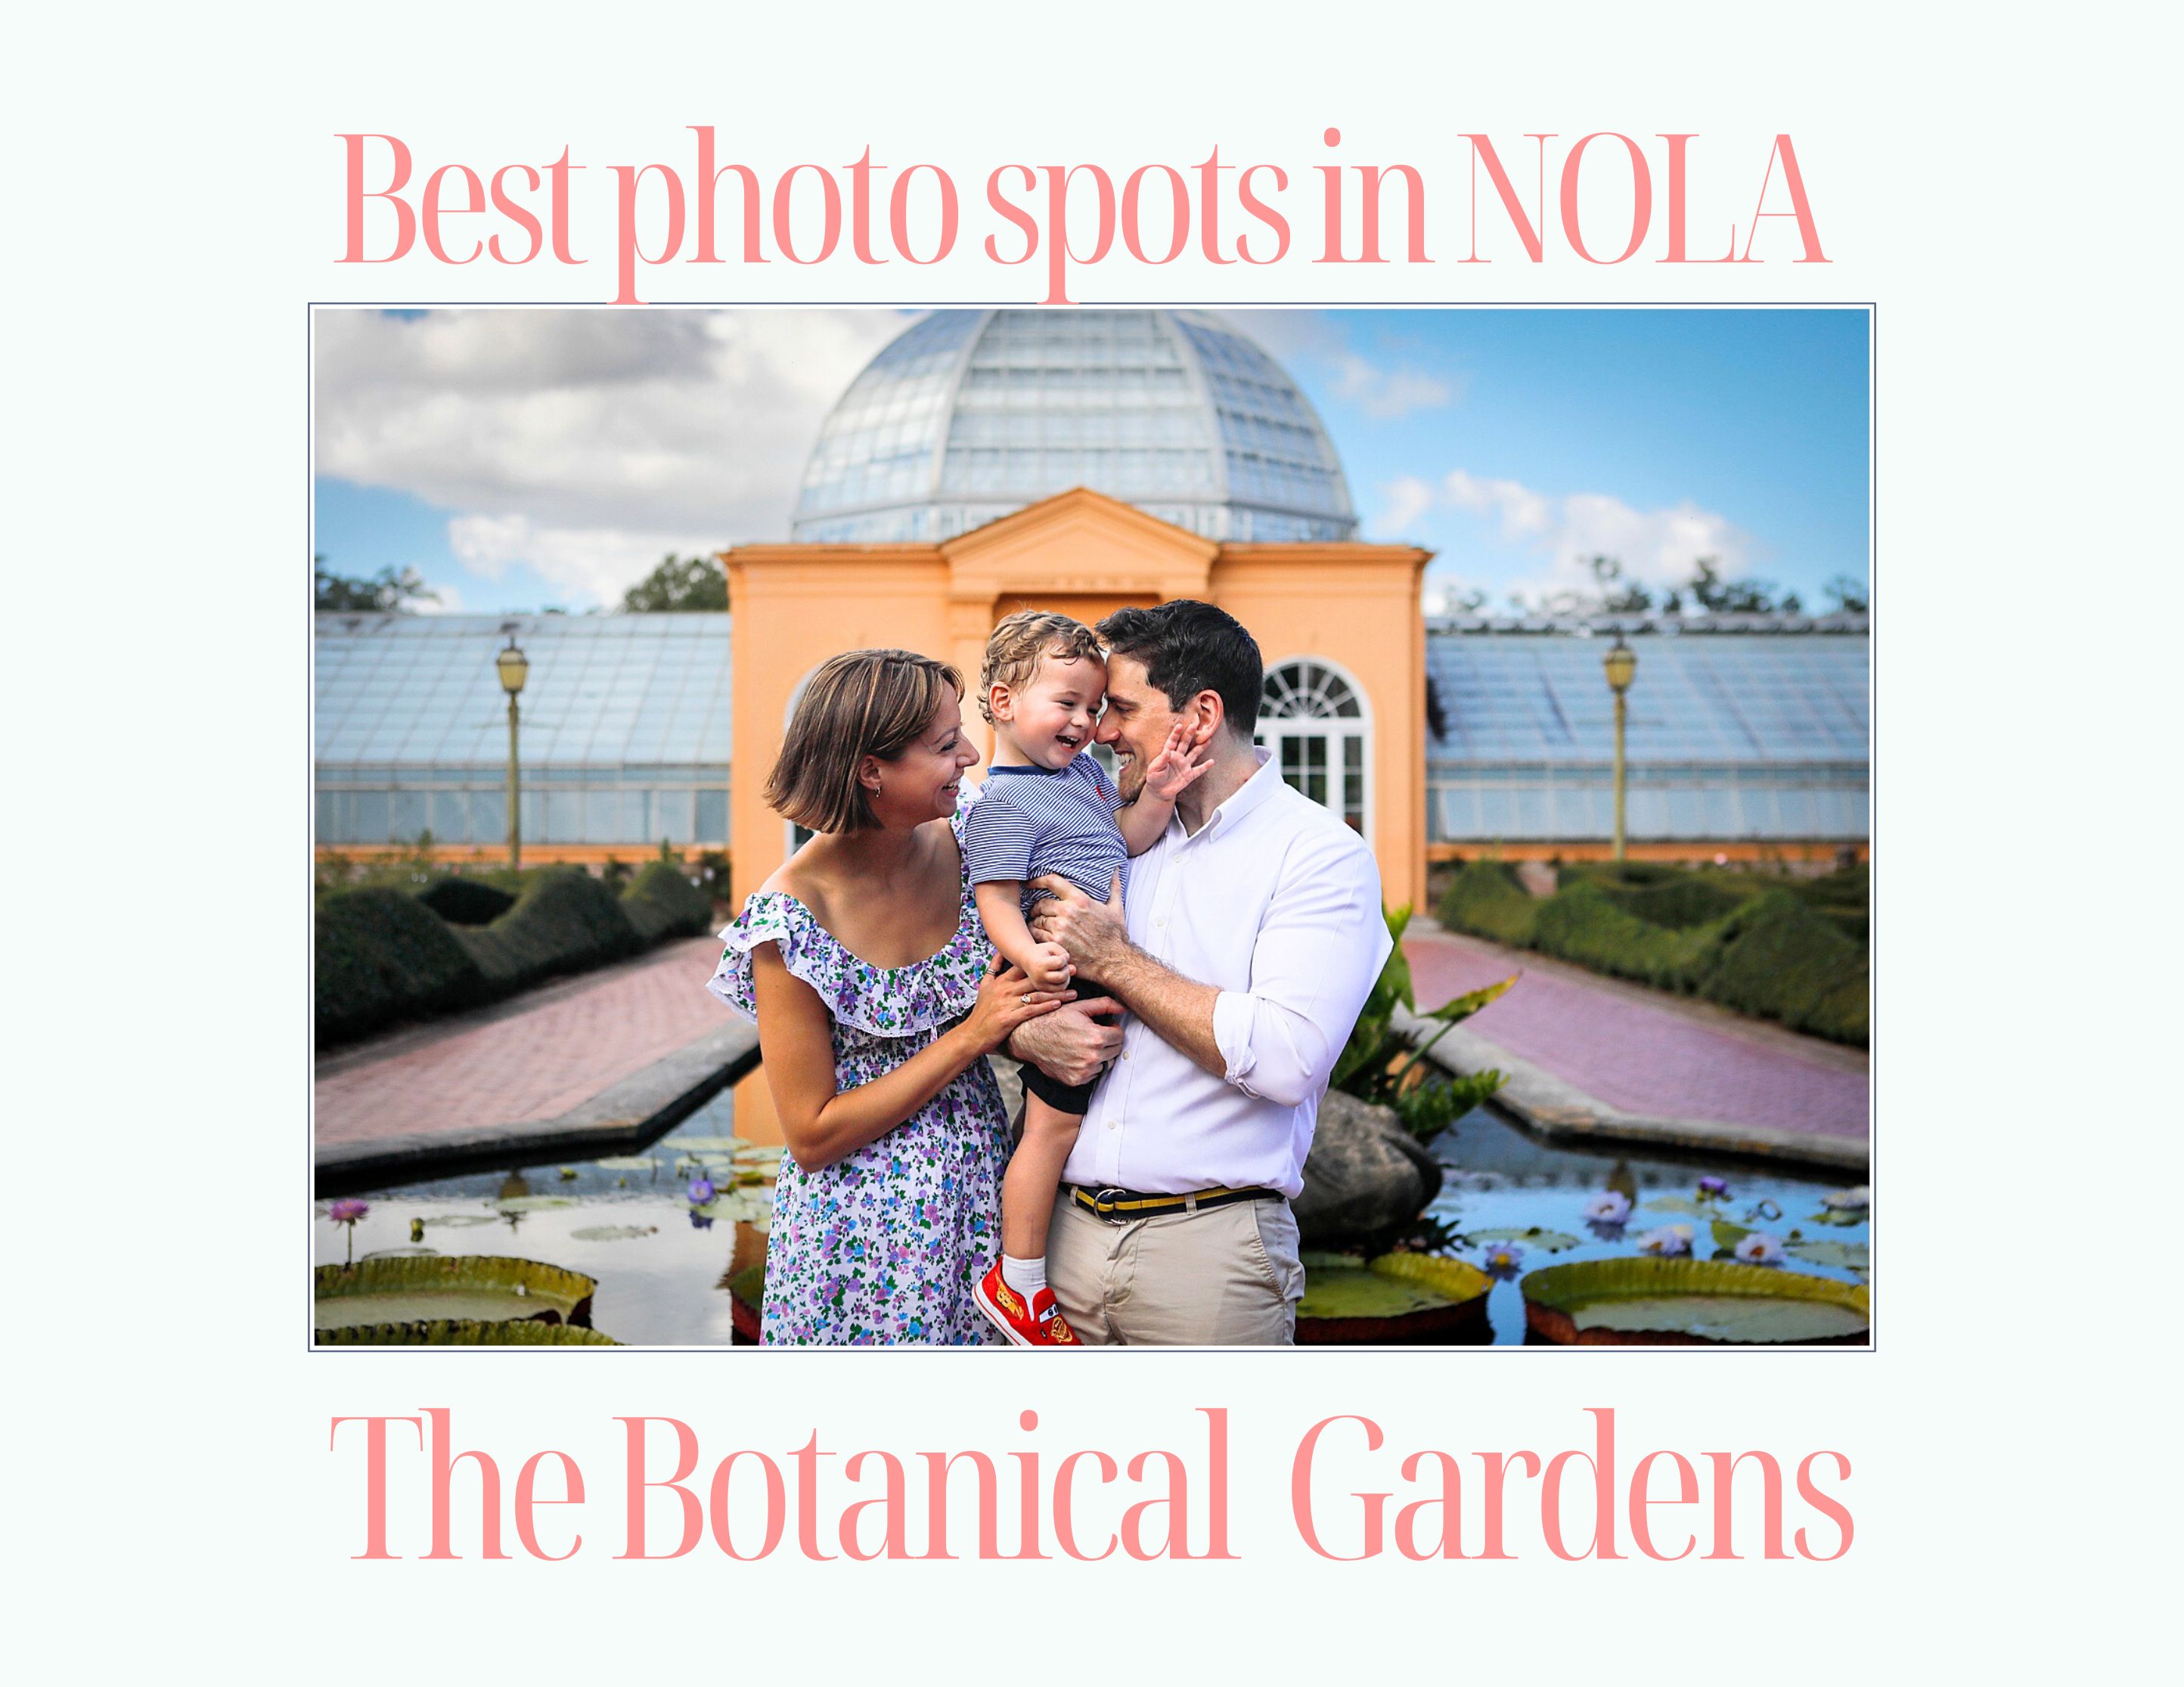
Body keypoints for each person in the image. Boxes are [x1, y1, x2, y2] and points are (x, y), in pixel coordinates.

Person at [1020, 600, 1394, 1345]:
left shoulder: (1318, 855)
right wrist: (1027, 1033)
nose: (1101, 732)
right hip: (1056, 1243)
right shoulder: (1109, 837)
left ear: (1200, 713)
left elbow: (1286, 1057)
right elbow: (1010, 985)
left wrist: (1116, 963)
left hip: (1209, 1259)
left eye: (1121, 707)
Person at [705, 649, 1067, 1345]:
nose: (968, 753)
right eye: (942, 745)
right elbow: (811, 1135)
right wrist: (971, 1035)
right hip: (856, 1247)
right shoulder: (791, 919)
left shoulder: (973, 845)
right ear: (871, 768)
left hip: (980, 1208)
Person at [959, 611, 1209, 1346]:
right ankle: (1019, 1283)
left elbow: (1119, 847)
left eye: (1095, 706)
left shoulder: (1082, 780)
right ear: (1003, 703)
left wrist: (1156, 795)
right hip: (1055, 974)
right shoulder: (1003, 798)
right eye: (1065, 702)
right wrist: (1031, 960)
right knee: (1048, 1128)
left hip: (1087, 968)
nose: (1085, 721)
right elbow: (995, 899)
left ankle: (1022, 1276)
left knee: (1055, 1124)